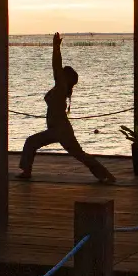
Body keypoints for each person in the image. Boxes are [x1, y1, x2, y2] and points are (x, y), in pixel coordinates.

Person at [17, 32, 116, 184]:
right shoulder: (60, 88)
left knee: (78, 154)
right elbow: (57, 68)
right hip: (57, 129)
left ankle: (106, 175)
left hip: (60, 129)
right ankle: (26, 171)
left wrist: (56, 48)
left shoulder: (61, 86)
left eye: (63, 73)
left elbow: (56, 66)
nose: (59, 73)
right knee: (33, 143)